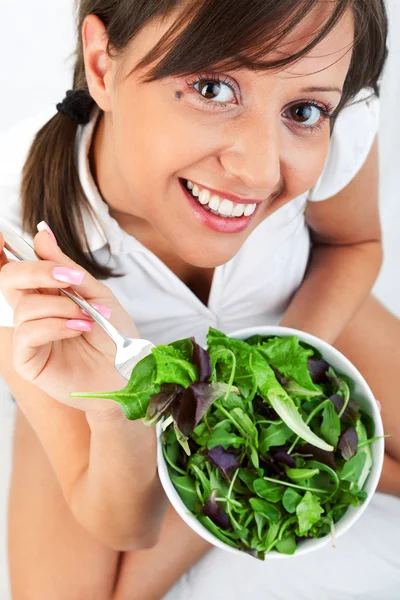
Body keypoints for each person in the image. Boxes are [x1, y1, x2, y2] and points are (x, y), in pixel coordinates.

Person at [0, 0, 399, 598]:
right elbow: (124, 527)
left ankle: (266, 479)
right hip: (108, 374)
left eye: (304, 109)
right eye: (212, 88)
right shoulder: (14, 236)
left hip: (291, 317)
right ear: (102, 65)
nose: (260, 171)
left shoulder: (345, 122)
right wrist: (116, 409)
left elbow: (353, 243)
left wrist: (273, 373)